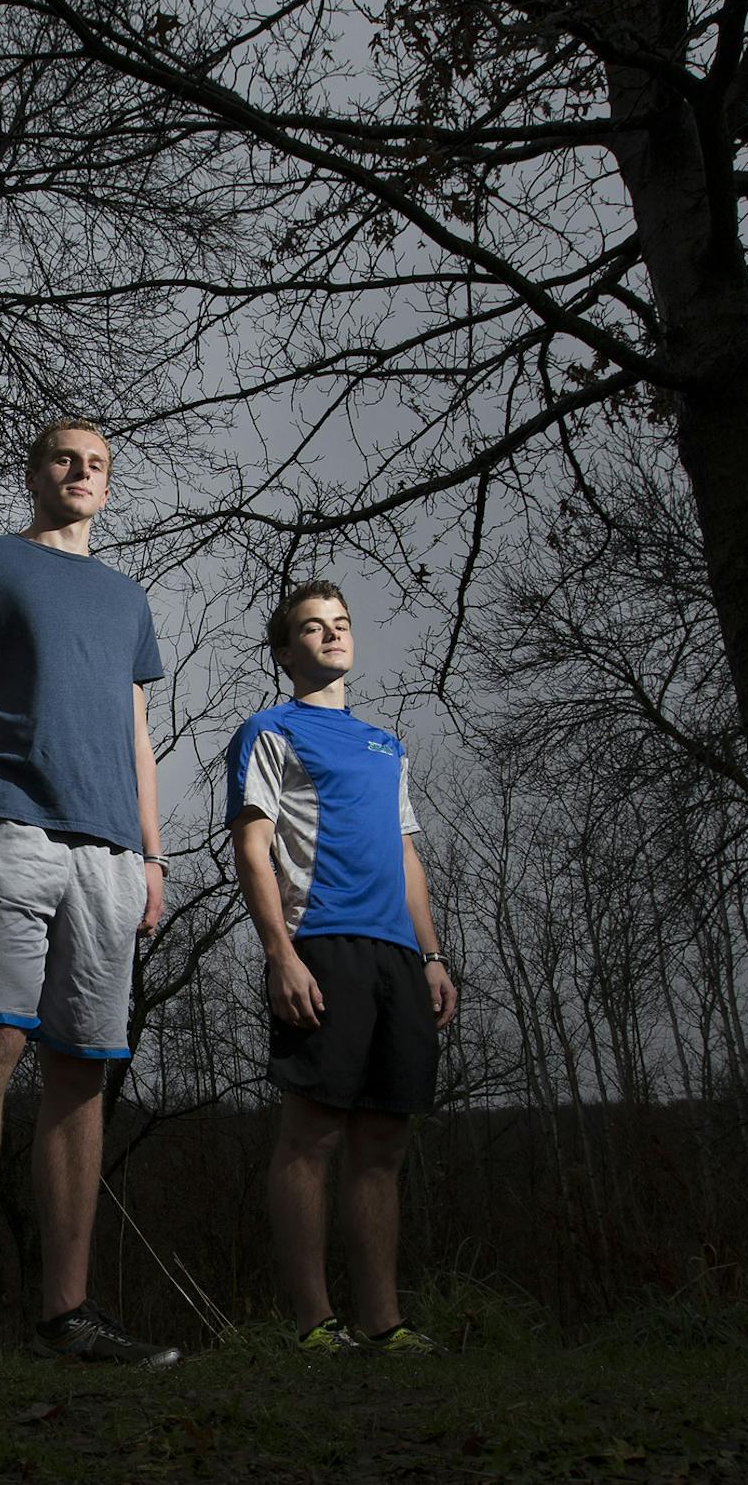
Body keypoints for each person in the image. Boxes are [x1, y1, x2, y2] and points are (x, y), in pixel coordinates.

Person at [0, 418, 179, 1372]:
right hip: (9, 823)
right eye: (66, 457)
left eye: (98, 464)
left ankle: (68, 1316)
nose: (83, 472)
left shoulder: (128, 597)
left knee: (81, 1066)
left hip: (110, 853)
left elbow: (138, 733)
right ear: (35, 469)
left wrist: (154, 854)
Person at [225, 581, 457, 1356]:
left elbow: (406, 853)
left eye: (340, 625)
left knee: (384, 1142)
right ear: (285, 651)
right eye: (311, 628)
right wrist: (278, 953)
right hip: (319, 944)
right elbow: (251, 847)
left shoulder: (385, 743)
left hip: (398, 956)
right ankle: (315, 1322)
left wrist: (430, 954)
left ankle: (384, 1323)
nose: (330, 636)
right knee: (311, 1136)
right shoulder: (269, 729)